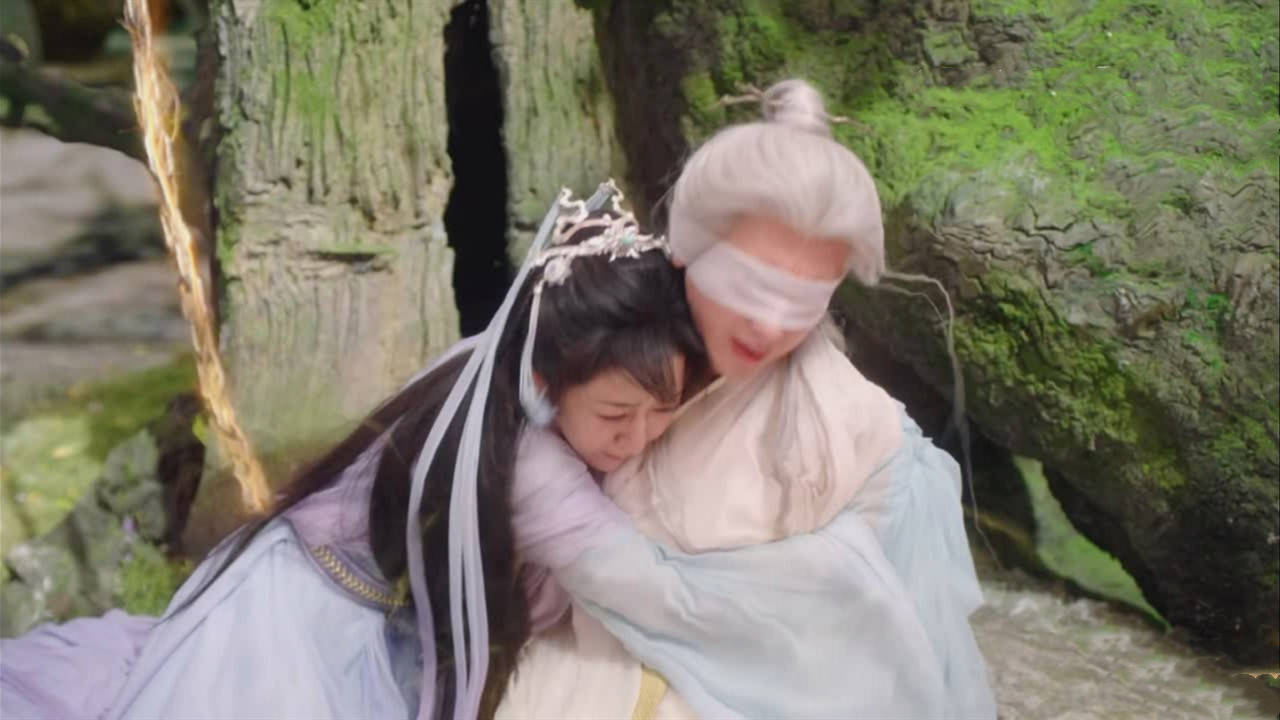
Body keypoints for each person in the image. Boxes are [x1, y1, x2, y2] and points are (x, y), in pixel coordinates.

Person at [0, 184, 709, 720]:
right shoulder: (528, 457)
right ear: (543, 381)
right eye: (616, 415)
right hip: (297, 620)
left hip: (375, 625)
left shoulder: (495, 372)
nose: (640, 436)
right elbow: (650, 589)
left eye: (663, 411)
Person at [495, 78, 997, 719]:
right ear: (687, 248)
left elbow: (870, 644)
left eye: (804, 302)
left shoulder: (860, 429)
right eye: (751, 286)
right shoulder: (608, 328)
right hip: (580, 663)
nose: (770, 326)